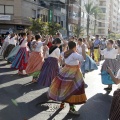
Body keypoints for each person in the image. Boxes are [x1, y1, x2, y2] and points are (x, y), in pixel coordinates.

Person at [48, 41, 87, 115]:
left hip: (65, 71)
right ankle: (71, 108)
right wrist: (83, 49)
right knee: (72, 89)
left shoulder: (65, 53)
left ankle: (62, 103)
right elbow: (83, 58)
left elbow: (62, 53)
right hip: (74, 73)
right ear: (75, 47)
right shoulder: (74, 54)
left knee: (63, 87)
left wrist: (65, 46)